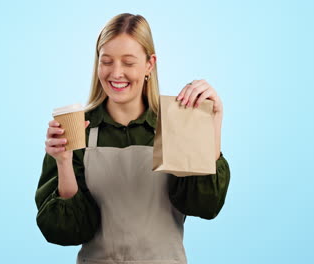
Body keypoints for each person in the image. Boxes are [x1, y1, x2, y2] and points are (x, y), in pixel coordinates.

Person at [35, 13, 231, 264]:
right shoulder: (77, 129)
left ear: (150, 64)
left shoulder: (174, 124)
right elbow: (66, 231)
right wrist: (63, 162)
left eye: (128, 62)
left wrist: (213, 122)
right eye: (106, 61)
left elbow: (204, 206)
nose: (116, 73)